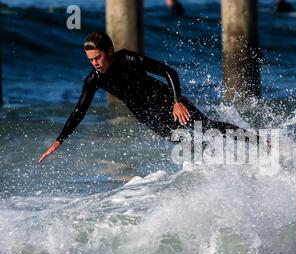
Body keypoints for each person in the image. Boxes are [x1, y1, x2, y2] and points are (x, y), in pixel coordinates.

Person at [39, 32, 256, 163]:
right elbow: (79, 111)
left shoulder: (127, 58)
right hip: (147, 115)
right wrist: (59, 140)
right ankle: (225, 163)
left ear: (110, 51)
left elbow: (168, 71)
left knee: (207, 126)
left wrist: (177, 101)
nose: (95, 63)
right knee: (187, 143)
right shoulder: (94, 80)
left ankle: (258, 141)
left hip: (167, 101)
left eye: (98, 57)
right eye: (91, 60)